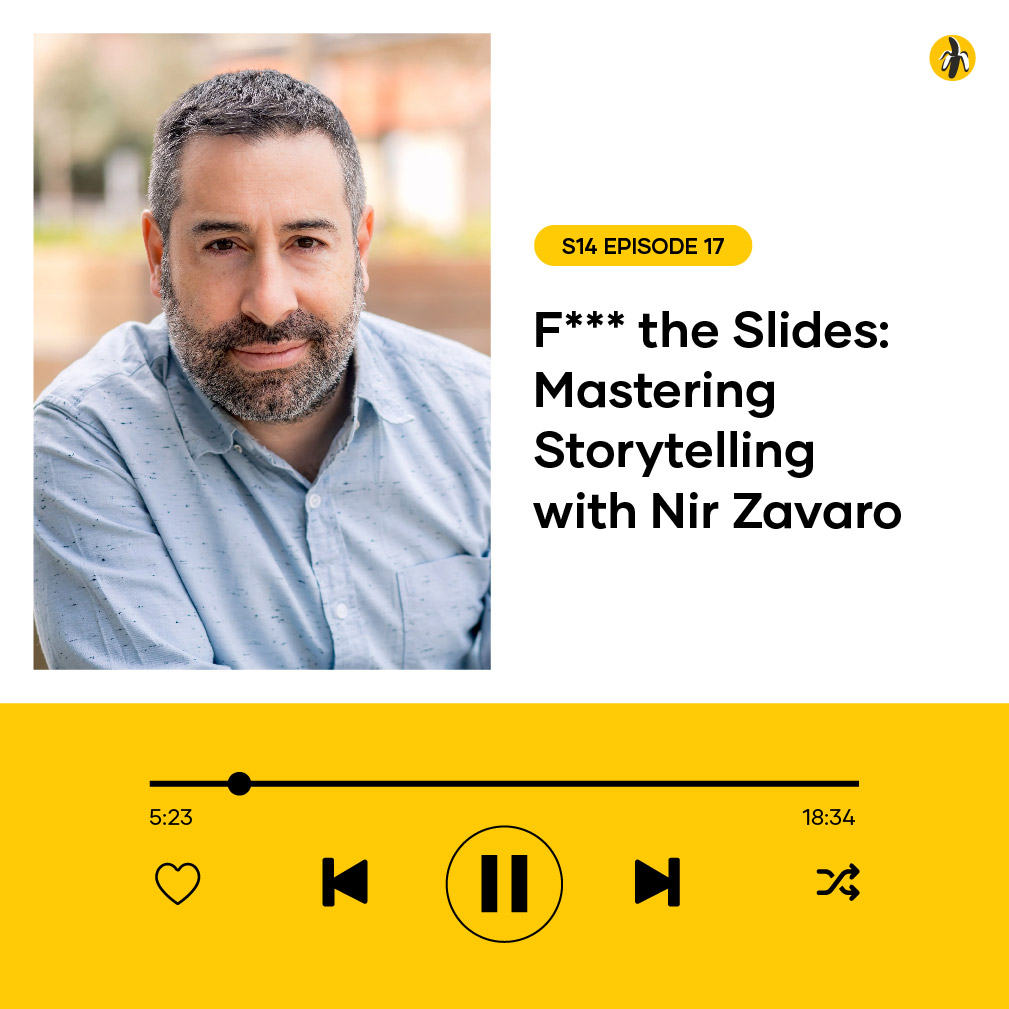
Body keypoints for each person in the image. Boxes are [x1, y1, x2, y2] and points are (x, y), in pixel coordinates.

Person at [34, 69, 490, 670]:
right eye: (224, 245)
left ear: (361, 249)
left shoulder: (483, 415)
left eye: (306, 242)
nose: (270, 302)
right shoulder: (88, 439)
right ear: (158, 255)